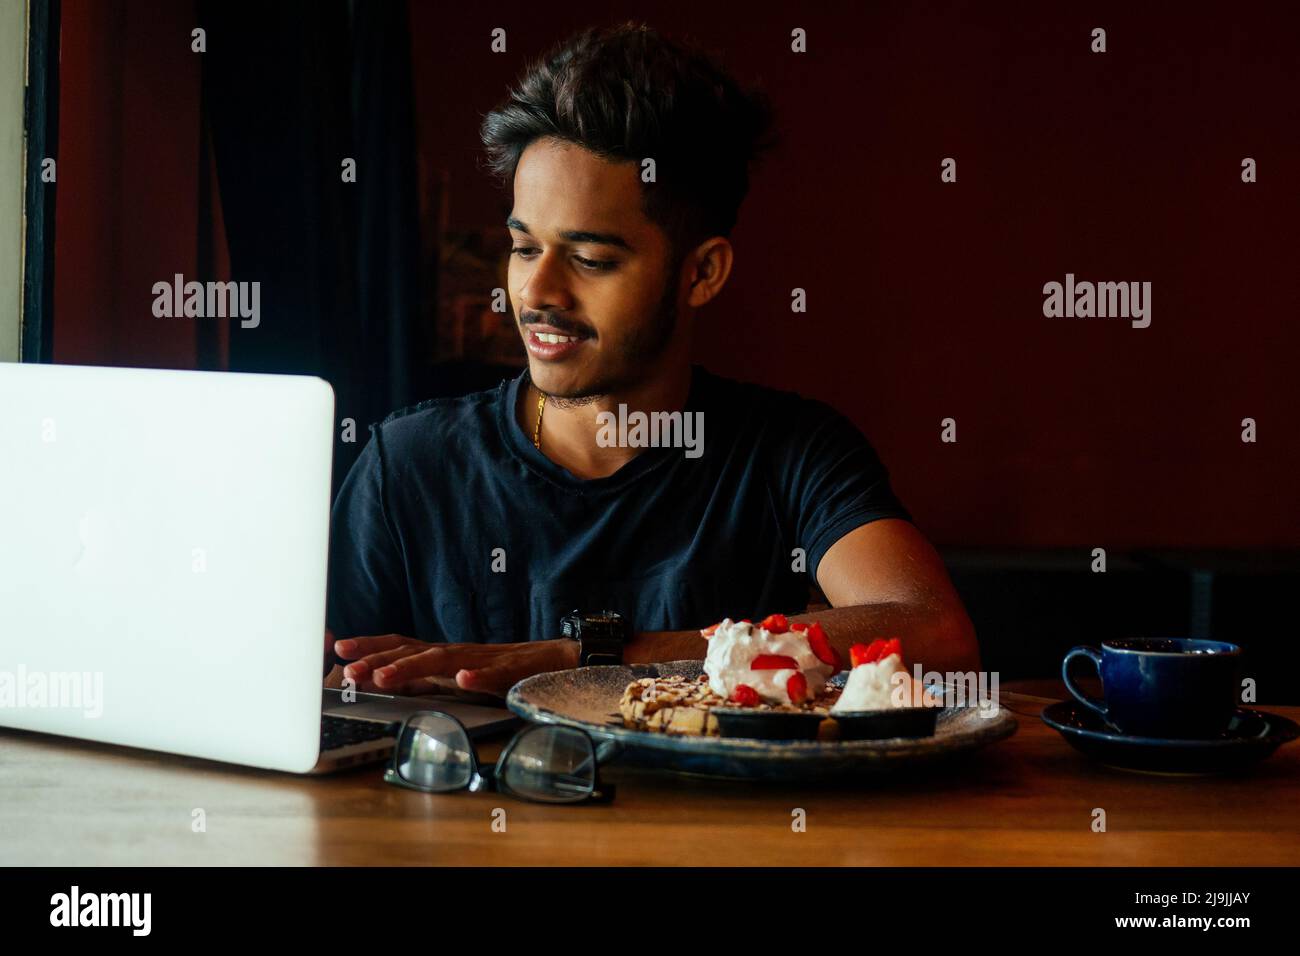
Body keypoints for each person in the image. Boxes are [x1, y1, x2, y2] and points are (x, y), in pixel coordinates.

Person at [324, 21, 979, 698]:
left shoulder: (790, 454)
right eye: (524, 247)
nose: (537, 292)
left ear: (702, 273)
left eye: (590, 259)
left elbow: (939, 639)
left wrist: (590, 657)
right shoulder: (407, 464)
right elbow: (320, 695)